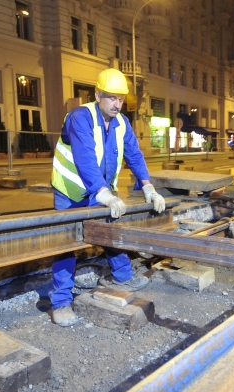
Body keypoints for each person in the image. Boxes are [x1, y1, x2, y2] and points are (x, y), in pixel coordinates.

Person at [48, 68, 166, 326]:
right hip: (71, 191)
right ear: (98, 94)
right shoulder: (80, 117)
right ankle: (60, 301)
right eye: (111, 97)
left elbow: (134, 155)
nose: (117, 103)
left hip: (99, 190)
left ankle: (122, 274)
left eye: (120, 99)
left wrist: (148, 186)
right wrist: (104, 193)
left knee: (109, 230)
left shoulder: (122, 122)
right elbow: (85, 156)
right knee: (67, 244)